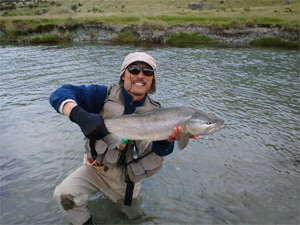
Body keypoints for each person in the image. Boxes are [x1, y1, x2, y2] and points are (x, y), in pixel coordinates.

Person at [50, 52, 197, 225]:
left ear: (153, 80)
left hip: (126, 181)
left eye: (148, 72)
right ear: (123, 74)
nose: (140, 75)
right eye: (134, 69)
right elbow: (59, 94)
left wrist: (165, 141)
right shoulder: (101, 95)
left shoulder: (161, 114)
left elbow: (161, 151)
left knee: (133, 219)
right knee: (63, 196)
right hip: (93, 169)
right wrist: (79, 115)